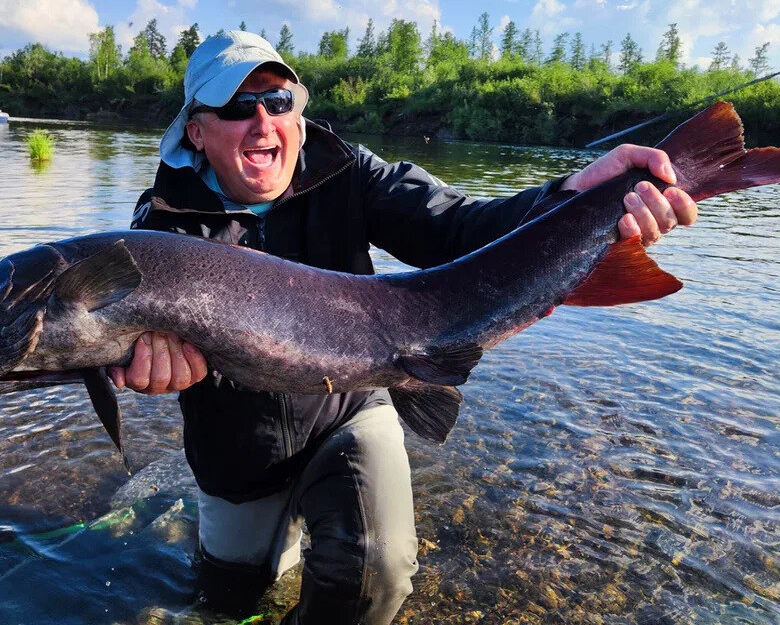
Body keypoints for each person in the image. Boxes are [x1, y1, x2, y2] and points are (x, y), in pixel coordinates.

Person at [111, 31, 697, 624]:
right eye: (238, 107)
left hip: (351, 409)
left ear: (297, 113)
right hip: (240, 448)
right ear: (196, 132)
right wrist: (153, 368)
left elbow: (462, 227)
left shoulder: (348, 172)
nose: (263, 122)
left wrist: (575, 194)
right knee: (230, 598)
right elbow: (113, 338)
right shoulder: (159, 232)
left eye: (278, 101)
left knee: (378, 572)